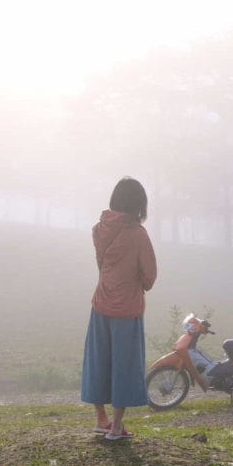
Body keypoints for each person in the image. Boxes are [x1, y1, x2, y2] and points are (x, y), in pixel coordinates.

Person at [81, 176, 157, 441]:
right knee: (123, 365)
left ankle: (101, 419)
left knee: (99, 360)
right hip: (127, 308)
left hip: (101, 303)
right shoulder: (137, 234)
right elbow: (149, 276)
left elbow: (102, 266)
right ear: (139, 204)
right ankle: (117, 426)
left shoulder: (100, 229)